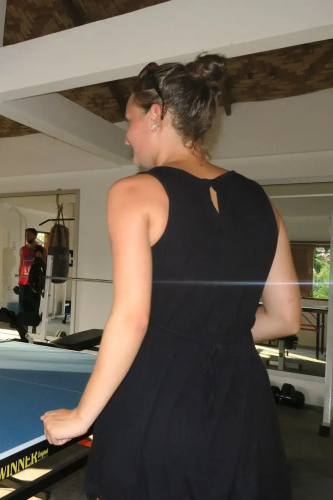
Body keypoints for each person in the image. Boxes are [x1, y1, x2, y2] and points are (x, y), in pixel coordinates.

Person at [41, 54, 301, 499]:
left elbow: (133, 318)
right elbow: (285, 318)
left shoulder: (133, 192)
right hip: (243, 408)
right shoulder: (262, 202)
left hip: (160, 403)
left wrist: (82, 416)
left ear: (156, 114)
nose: (126, 136)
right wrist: (213, 332)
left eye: (130, 120)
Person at [17, 228, 47, 338]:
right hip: (23, 282)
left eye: (29, 235)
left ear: (34, 236)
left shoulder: (41, 250)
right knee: (23, 308)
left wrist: (40, 257)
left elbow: (46, 265)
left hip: (35, 282)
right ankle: (24, 331)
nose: (27, 237)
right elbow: (21, 264)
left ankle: (34, 329)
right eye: (26, 235)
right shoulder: (22, 249)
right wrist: (19, 277)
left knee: (34, 307)